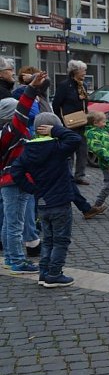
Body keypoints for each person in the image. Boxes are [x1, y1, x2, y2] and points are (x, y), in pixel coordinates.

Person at [10, 112, 81, 287]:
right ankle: (55, 274)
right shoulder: (57, 147)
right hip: (60, 201)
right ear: (50, 129)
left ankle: (44, 272)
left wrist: (33, 189)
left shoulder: (28, 150)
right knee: (61, 240)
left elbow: (16, 172)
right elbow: (76, 139)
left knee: (48, 240)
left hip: (42, 201)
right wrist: (57, 130)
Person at [1, 74, 46, 274]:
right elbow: (22, 110)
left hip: (6, 180)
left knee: (9, 222)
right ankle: (18, 261)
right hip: (16, 181)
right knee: (16, 224)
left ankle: (10, 258)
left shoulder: (4, 132)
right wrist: (32, 89)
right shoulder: (14, 130)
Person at [52, 60, 91, 185]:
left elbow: (85, 103)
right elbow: (56, 104)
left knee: (82, 149)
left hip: (82, 122)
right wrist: (61, 120)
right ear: (75, 71)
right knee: (69, 150)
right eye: (83, 70)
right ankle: (67, 175)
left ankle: (80, 175)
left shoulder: (83, 86)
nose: (85, 73)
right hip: (68, 123)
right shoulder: (64, 85)